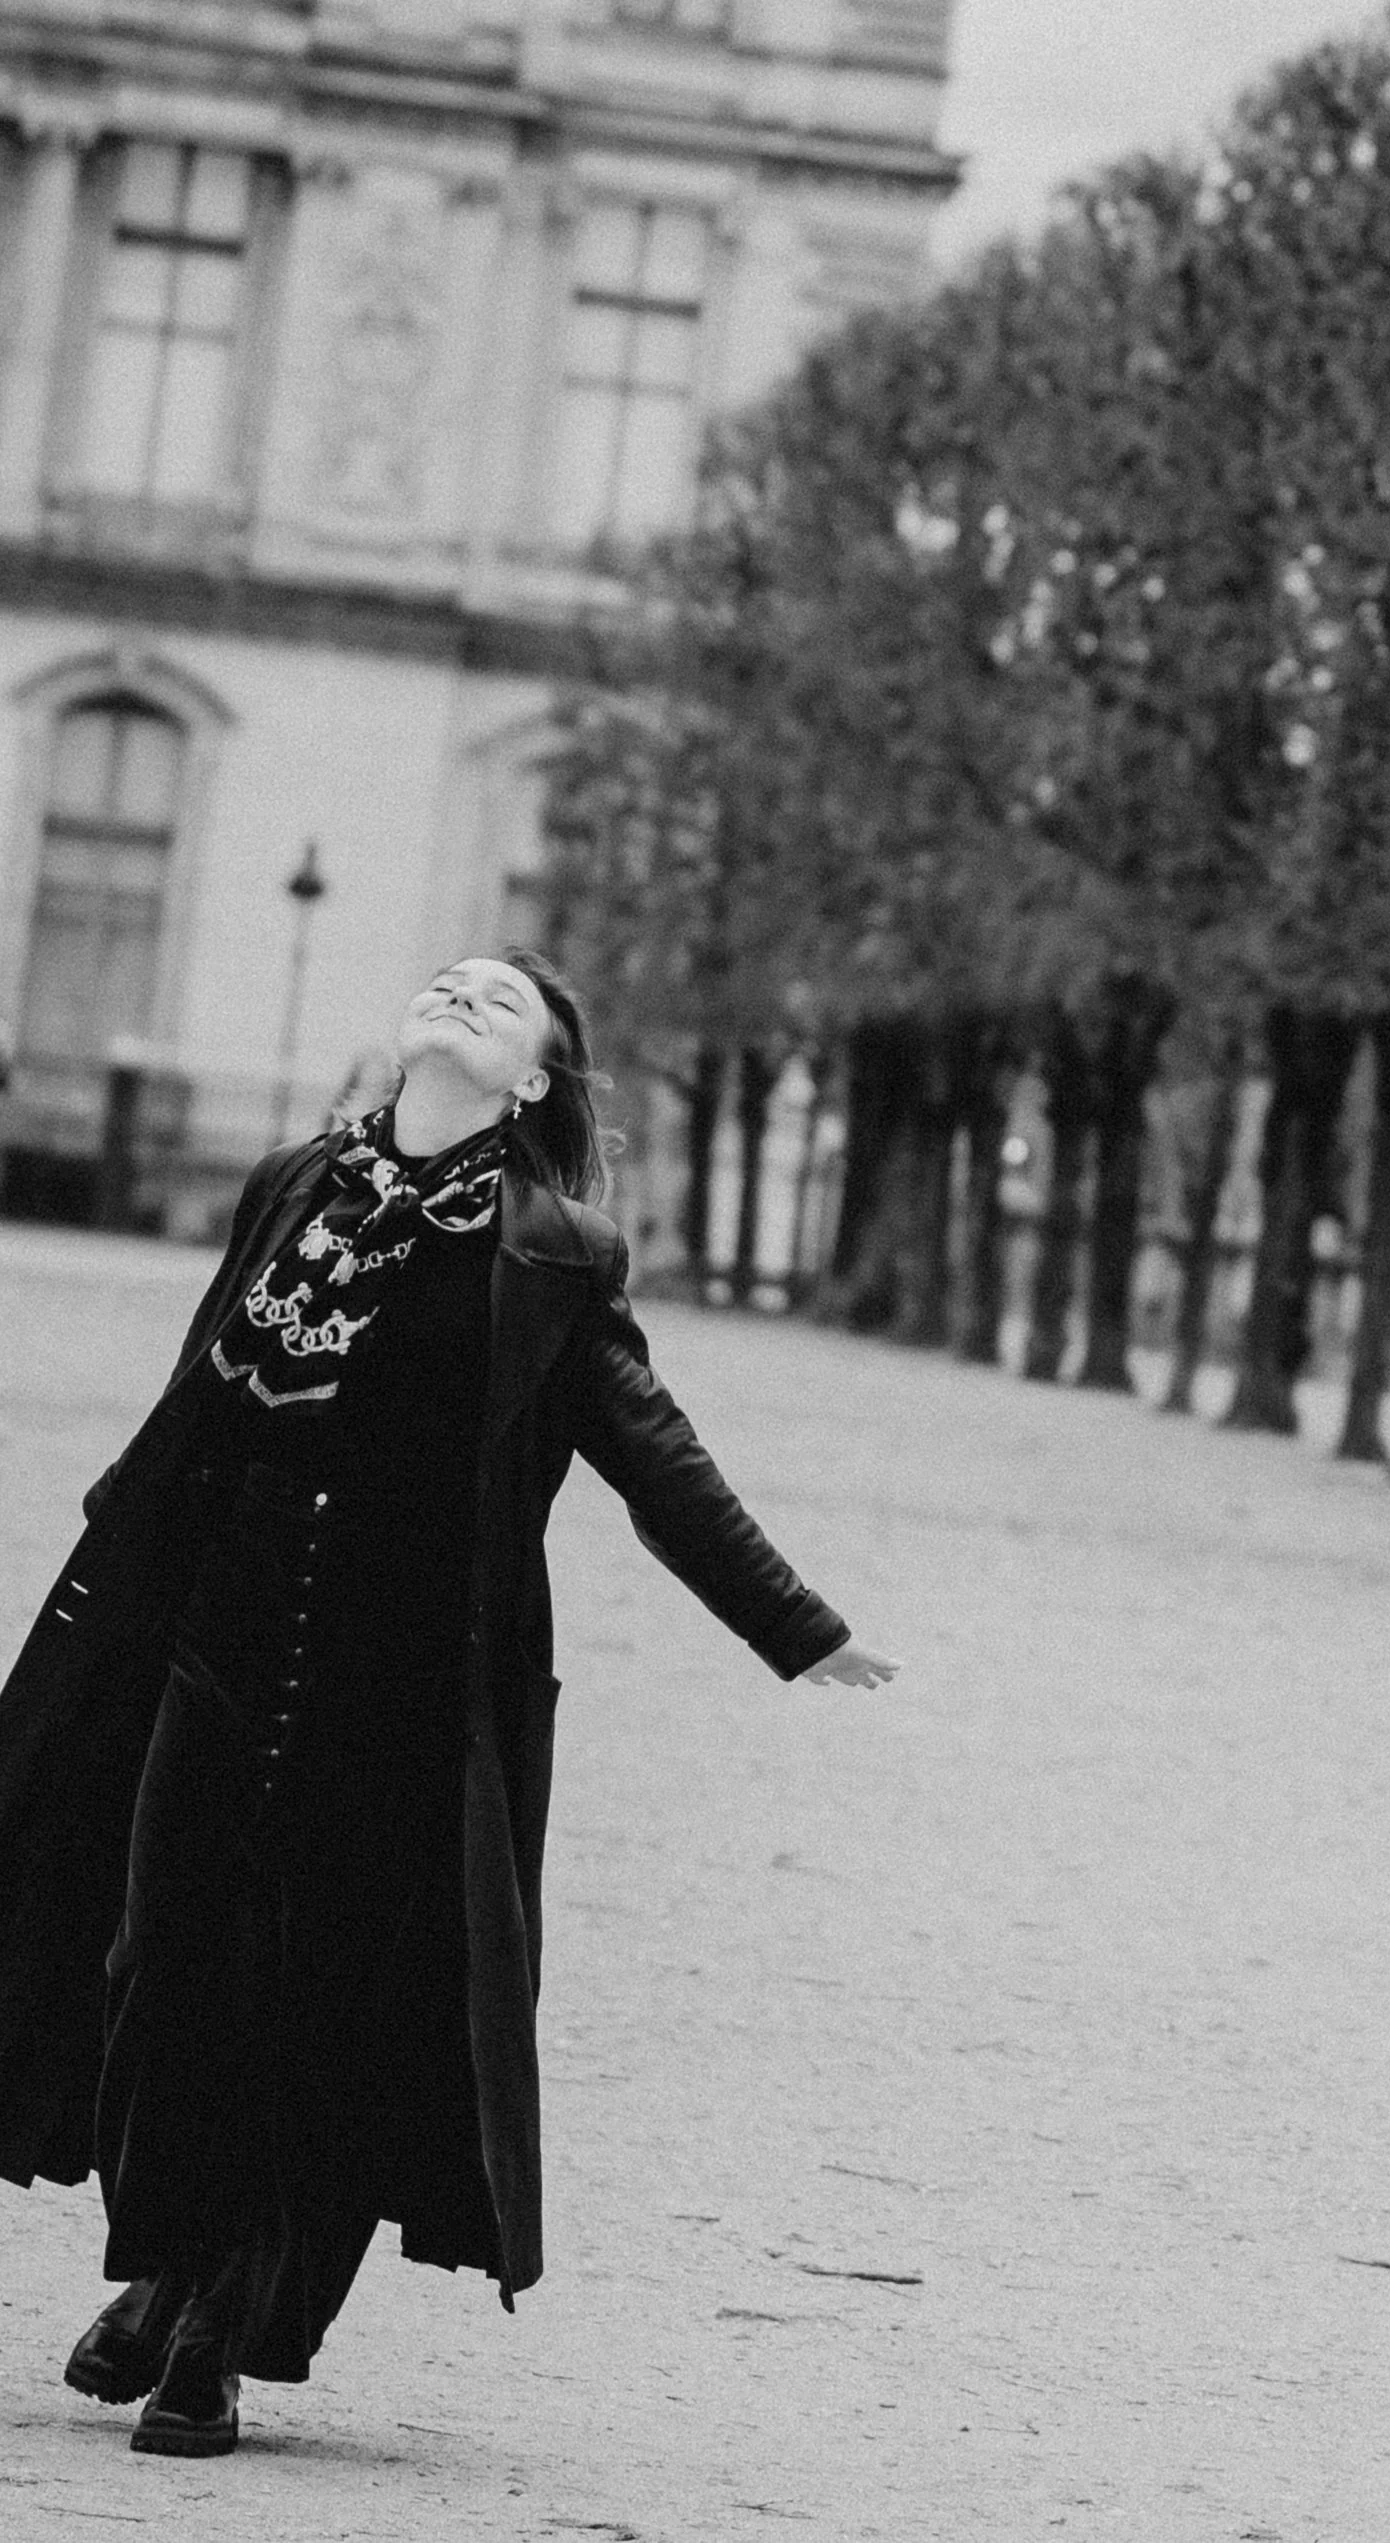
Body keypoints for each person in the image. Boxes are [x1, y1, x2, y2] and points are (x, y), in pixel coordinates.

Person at [0, 949, 895, 2460]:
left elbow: (650, 1449)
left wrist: (793, 1623)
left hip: (399, 1679)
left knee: (318, 2000)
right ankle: (164, 2258)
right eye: (449, 977)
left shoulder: (550, 1252)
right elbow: (196, 1401)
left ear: (535, 1077)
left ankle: (219, 2322)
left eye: (503, 998)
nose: (464, 989)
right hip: (216, 1637)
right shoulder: (294, 1184)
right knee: (164, 1964)